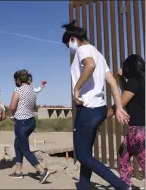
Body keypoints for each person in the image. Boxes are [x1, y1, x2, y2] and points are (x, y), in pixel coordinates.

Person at [62, 20, 130, 190]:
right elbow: (113, 83)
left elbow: (90, 66)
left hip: (88, 110)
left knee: (82, 155)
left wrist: (76, 88)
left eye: (66, 45)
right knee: (87, 153)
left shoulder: (82, 49)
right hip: (98, 109)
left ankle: (122, 186)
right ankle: (84, 186)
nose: (68, 50)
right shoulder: (98, 53)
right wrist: (119, 107)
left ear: (72, 39)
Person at [107, 54, 145, 188]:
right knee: (123, 153)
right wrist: (120, 78)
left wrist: (104, 115)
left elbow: (121, 102)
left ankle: (125, 185)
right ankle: (125, 185)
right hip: (139, 131)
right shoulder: (140, 81)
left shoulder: (135, 81)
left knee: (142, 159)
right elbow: (128, 91)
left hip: (138, 131)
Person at [9, 70, 49, 183]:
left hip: (21, 122)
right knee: (18, 145)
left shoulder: (18, 90)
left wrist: (13, 108)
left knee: (24, 149)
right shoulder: (32, 89)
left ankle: (42, 171)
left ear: (18, 80)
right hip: (31, 121)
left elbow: (12, 107)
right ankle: (18, 171)